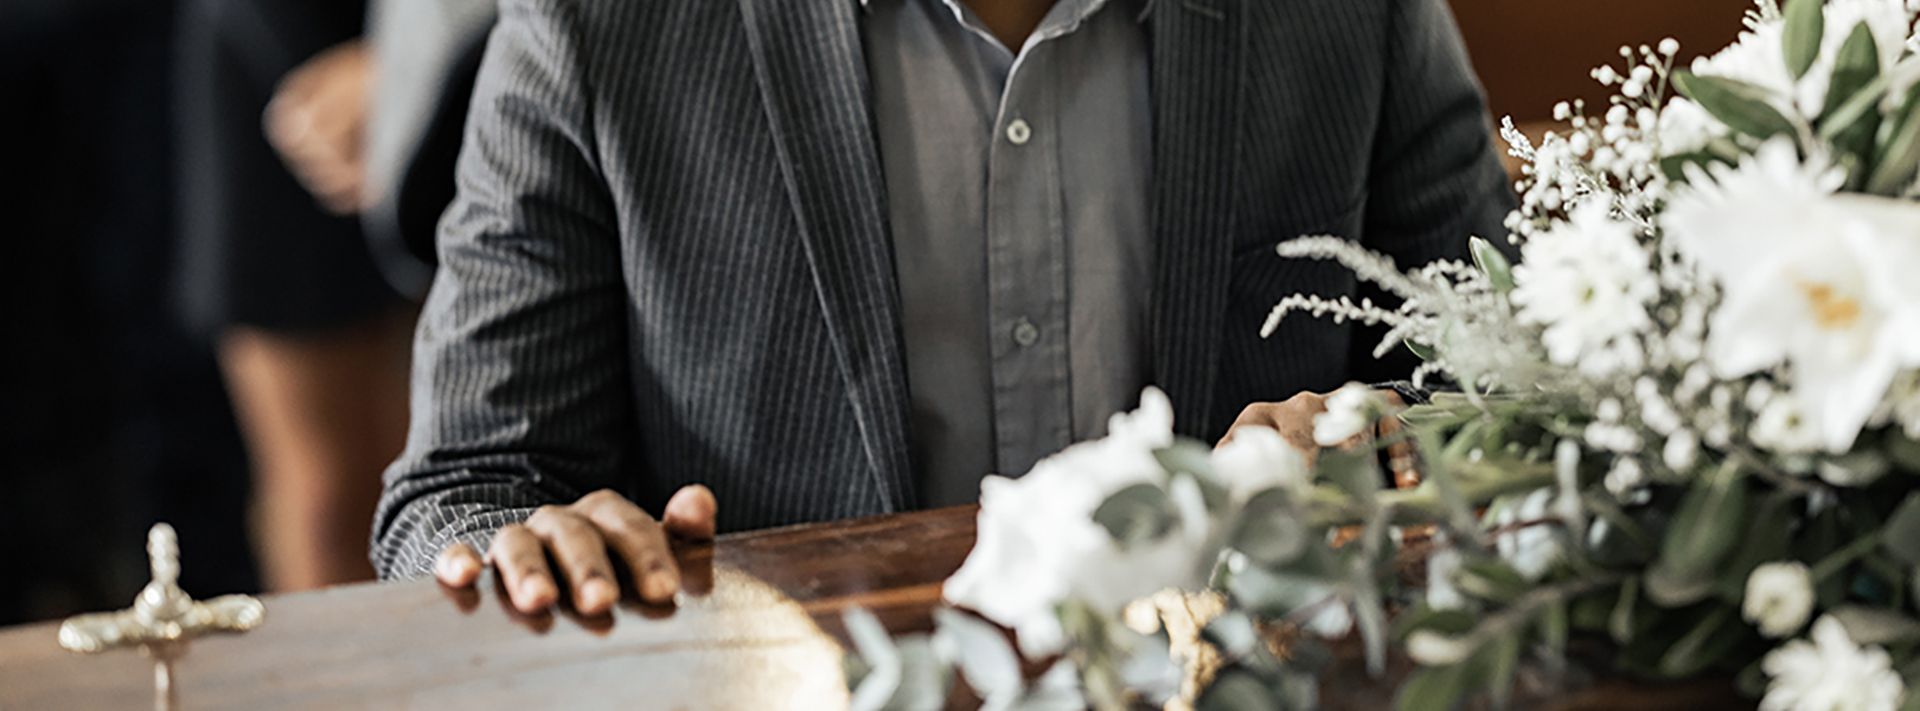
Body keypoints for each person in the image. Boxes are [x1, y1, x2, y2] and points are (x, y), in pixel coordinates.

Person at [374, 0, 1516, 617]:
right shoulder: (592, 26)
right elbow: (464, 489)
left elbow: (1512, 384)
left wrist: (1389, 436)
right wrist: (526, 549)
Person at [175, 0, 414, 591]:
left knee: (450, 467)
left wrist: (421, 62)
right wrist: (327, 70)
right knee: (327, 498)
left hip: (478, 68)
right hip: (283, 72)